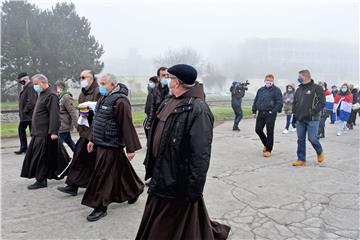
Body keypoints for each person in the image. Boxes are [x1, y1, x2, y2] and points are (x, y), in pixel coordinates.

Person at [137, 64, 230, 240]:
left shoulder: (198, 109)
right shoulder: (168, 100)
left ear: (177, 82)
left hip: (177, 180)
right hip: (161, 173)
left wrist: (195, 188)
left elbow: (200, 154)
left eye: (169, 78)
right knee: (184, 220)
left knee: (167, 224)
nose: (166, 80)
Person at [81, 73, 144, 222]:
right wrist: (92, 139)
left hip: (112, 143)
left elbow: (126, 124)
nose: (100, 87)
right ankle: (134, 190)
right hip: (101, 142)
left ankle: (100, 206)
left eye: (103, 84)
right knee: (122, 171)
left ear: (112, 84)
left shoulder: (121, 101)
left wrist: (130, 148)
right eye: (100, 83)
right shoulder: (103, 97)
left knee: (102, 175)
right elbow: (97, 120)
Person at [20, 74, 70, 189]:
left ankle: (41, 180)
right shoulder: (42, 94)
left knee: (41, 157)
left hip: (45, 133)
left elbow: (54, 115)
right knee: (58, 157)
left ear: (43, 83)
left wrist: (53, 132)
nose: (35, 87)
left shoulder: (51, 95)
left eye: (36, 84)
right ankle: (71, 171)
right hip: (39, 132)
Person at [57, 70, 100, 196]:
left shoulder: (98, 92)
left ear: (91, 78)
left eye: (83, 77)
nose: (81, 79)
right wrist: (80, 126)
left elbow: (99, 115)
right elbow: (81, 113)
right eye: (80, 77)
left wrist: (92, 133)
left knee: (103, 163)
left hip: (95, 133)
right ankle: (73, 185)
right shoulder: (83, 94)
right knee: (78, 159)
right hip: (85, 133)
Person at [292, 70, 325, 167]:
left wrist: (312, 111)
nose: (298, 78)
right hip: (300, 119)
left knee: (312, 138)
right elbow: (295, 103)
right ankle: (301, 159)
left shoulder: (317, 88)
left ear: (305, 77)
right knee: (300, 139)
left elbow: (322, 103)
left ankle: (319, 152)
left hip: (312, 119)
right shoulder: (299, 89)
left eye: (299, 77)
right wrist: (295, 116)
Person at [252, 74, 283, 157]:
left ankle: (269, 150)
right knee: (258, 130)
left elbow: (279, 103)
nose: (268, 82)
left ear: (273, 81)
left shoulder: (276, 90)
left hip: (270, 114)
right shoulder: (261, 90)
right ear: (264, 81)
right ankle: (266, 143)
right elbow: (256, 100)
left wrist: (273, 111)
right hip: (261, 113)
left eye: (270, 80)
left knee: (269, 132)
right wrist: (254, 111)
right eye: (267, 80)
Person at [15, 72, 37, 154]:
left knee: (33, 133)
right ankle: (24, 148)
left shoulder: (30, 87)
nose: (20, 81)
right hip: (25, 116)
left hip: (29, 115)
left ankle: (33, 149)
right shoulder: (26, 87)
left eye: (20, 80)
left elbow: (32, 101)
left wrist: (25, 110)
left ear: (24, 78)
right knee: (21, 131)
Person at [55, 80, 78, 152]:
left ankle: (64, 160)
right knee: (70, 142)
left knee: (57, 147)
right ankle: (79, 157)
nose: (56, 89)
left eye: (57, 87)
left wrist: (77, 125)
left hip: (63, 126)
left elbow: (72, 112)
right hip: (61, 126)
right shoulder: (59, 97)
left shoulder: (66, 97)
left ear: (60, 87)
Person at [144, 67, 169, 131]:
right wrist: (149, 122)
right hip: (158, 119)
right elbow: (153, 107)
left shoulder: (172, 89)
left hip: (168, 121)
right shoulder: (155, 89)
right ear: (158, 78)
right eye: (163, 75)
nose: (166, 77)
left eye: (167, 75)